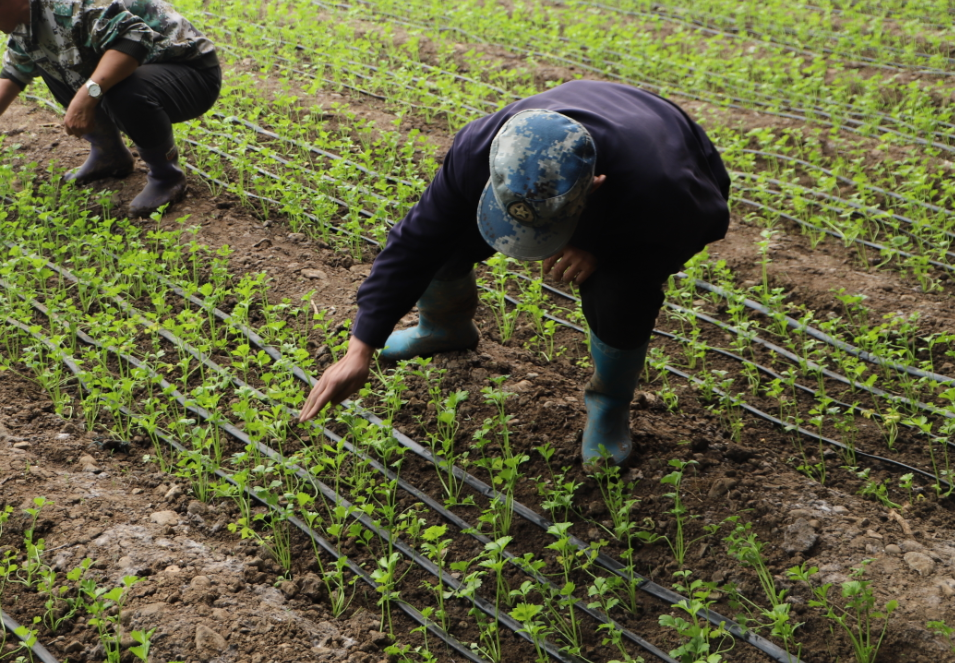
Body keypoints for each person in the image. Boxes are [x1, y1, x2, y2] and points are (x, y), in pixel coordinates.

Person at [298, 80, 731, 467]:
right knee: (445, 239)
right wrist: (361, 347)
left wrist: (602, 247)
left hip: (652, 154)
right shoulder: (478, 149)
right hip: (594, 128)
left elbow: (706, 225)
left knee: (622, 291)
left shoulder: (664, 189)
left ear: (595, 186)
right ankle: (444, 327)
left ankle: (609, 403)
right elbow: (416, 241)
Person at [0, 0, 222, 216]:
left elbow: (133, 41)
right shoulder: (24, 6)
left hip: (190, 72)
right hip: (146, 68)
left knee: (122, 89)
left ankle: (166, 176)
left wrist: (87, 95)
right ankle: (109, 154)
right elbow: (17, 66)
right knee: (54, 64)